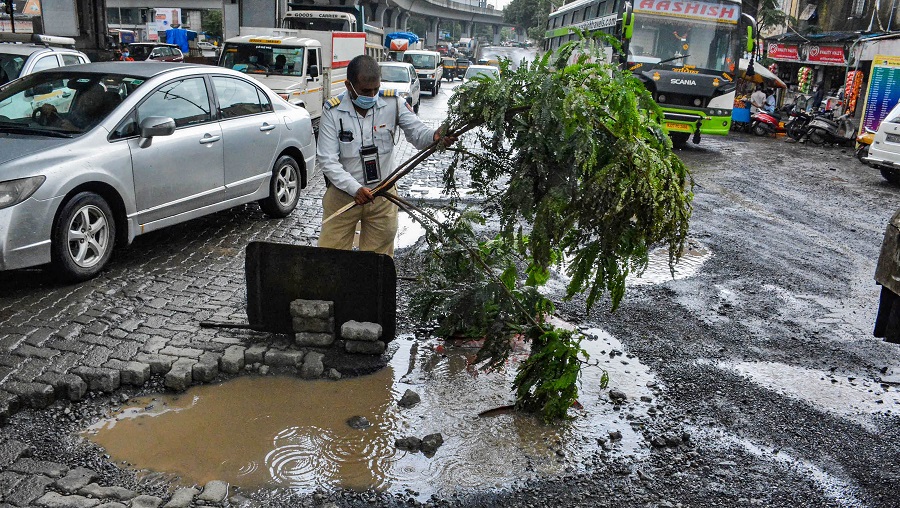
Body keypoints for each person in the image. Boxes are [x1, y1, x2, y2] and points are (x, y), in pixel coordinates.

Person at [317, 55, 454, 256]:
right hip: (343, 195)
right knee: (330, 258)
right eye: (365, 91)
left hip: (383, 195)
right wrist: (355, 189)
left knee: (378, 262)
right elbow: (327, 160)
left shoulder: (393, 103)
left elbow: (417, 133)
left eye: (376, 89)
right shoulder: (333, 110)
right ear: (349, 85)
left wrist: (435, 137)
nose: (372, 95)